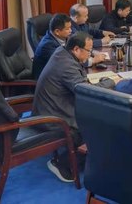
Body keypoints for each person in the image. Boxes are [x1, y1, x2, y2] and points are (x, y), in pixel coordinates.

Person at [32, 32, 118, 182]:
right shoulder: (66, 65)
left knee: (100, 116)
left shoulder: (63, 52)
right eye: (88, 51)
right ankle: (61, 164)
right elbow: (86, 91)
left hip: (55, 106)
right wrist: (111, 82)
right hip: (53, 117)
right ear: (76, 49)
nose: (90, 54)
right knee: (99, 125)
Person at [32, 13, 72, 79]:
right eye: (67, 29)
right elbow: (64, 63)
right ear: (57, 32)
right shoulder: (47, 45)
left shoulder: (65, 38)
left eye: (70, 27)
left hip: (59, 74)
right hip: (48, 80)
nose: (71, 31)